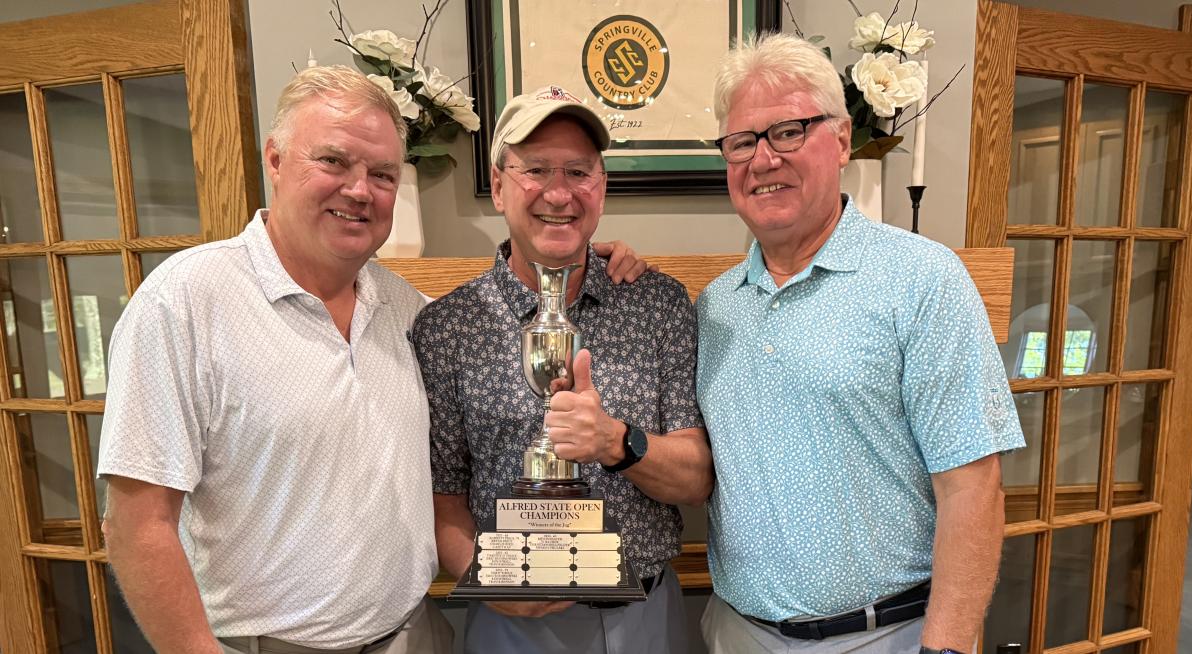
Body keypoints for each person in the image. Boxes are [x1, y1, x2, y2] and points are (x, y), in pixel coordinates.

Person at [96, 66, 646, 654]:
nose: (359, 190)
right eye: (333, 161)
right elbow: (136, 525)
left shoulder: (412, 313)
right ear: (275, 161)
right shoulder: (184, 301)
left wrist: (594, 261)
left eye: (382, 174)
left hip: (414, 635)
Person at [695, 34, 1025, 654]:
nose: (763, 160)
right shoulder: (716, 306)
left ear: (842, 139)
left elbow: (973, 487)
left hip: (887, 636)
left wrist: (947, 647)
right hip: (735, 632)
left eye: (789, 131)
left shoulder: (921, 281)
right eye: (742, 141)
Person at [412, 85, 713, 654]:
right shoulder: (447, 328)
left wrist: (616, 442)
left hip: (645, 614)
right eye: (536, 170)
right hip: (510, 627)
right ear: (499, 185)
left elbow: (696, 478)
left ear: (601, 189)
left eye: (579, 172)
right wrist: (488, 577)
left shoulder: (657, 305)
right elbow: (441, 491)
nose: (559, 193)